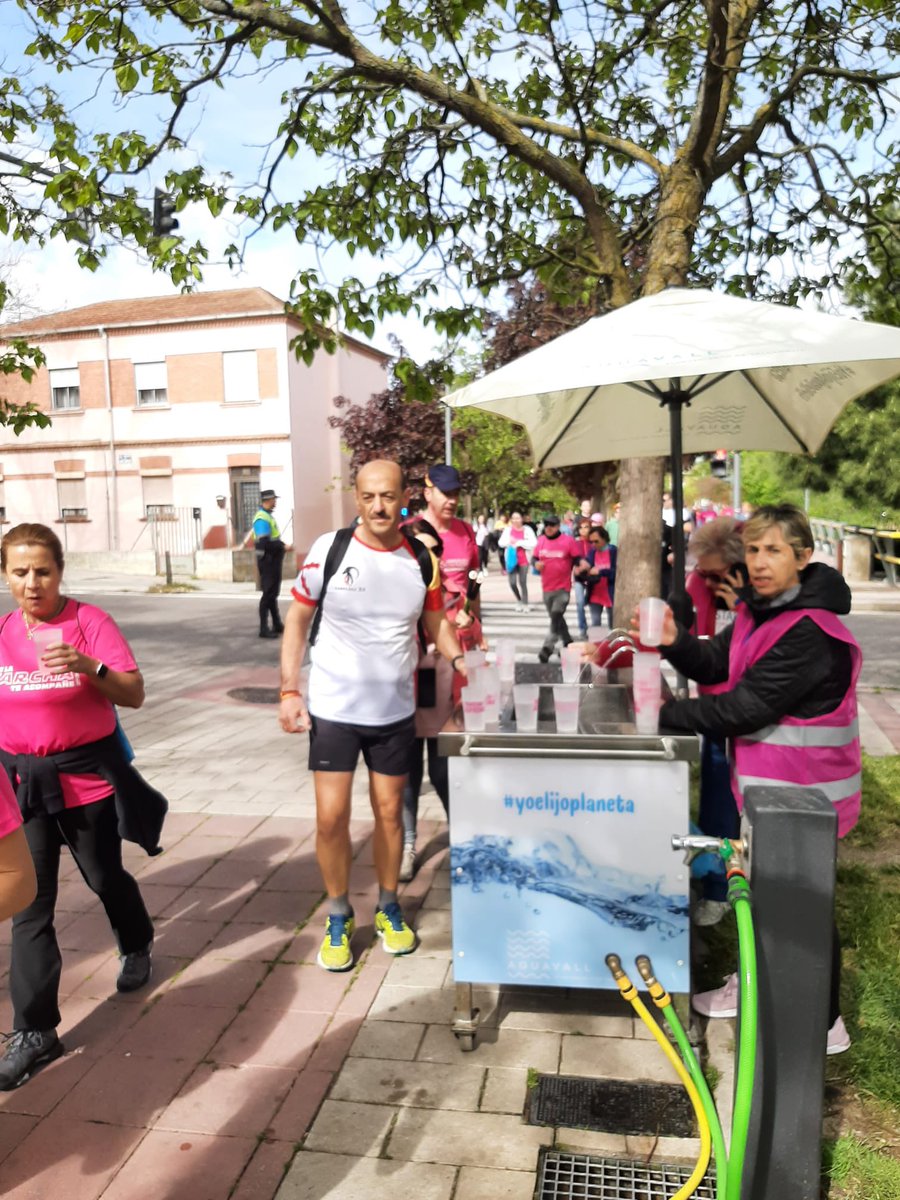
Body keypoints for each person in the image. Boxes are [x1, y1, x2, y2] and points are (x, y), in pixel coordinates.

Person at [646, 504, 860, 1055]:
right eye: (754, 551)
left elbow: (741, 709)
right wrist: (674, 641)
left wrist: (655, 715)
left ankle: (823, 1021)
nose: (759, 564)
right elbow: (717, 666)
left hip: (806, 794)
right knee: (766, 896)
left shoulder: (812, 632)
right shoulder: (758, 613)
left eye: (774, 551)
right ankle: (757, 983)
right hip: (769, 790)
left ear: (803, 557)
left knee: (804, 905)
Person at [279, 460, 466, 972]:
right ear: (357, 499)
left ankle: (387, 906)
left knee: (389, 815)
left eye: (387, 496)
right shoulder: (330, 550)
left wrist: (463, 659)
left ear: (404, 497)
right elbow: (296, 620)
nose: (379, 506)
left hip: (394, 713)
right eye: (368, 497)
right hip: (335, 710)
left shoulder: (419, 559)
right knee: (331, 818)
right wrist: (289, 689)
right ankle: (338, 913)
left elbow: (436, 621)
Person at [0, 523, 163, 1089]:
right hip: (22, 785)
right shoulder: (2, 631)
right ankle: (34, 1030)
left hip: (83, 780)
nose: (31, 583)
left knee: (103, 876)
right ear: (6, 575)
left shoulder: (89, 623)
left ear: (60, 571)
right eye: (19, 572)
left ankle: (138, 941)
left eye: (42, 571)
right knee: (30, 902)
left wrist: (87, 667)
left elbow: (134, 693)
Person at [682, 517, 747, 926]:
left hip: (750, 712)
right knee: (716, 800)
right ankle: (718, 884)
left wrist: (743, 606)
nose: (704, 581)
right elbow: (686, 639)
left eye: (713, 574)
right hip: (715, 710)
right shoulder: (696, 586)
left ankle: (729, 888)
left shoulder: (756, 597)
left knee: (733, 805)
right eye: (699, 572)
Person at [397, 518, 469, 882]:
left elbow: (471, 644)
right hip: (406, 696)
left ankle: (464, 839)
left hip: (445, 697)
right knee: (408, 775)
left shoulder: (456, 593)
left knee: (443, 773)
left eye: (437, 550)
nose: (432, 558)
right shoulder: (398, 596)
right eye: (422, 550)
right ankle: (407, 844)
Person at [421, 464, 482, 650]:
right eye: (446, 494)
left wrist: (477, 627)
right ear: (428, 493)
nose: (452, 501)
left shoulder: (466, 531)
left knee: (465, 678)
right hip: (426, 640)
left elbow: (473, 585)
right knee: (428, 680)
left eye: (455, 494)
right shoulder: (409, 533)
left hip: (461, 634)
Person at [532, 515, 586, 663]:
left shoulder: (568, 541)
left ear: (558, 526)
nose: (548, 528)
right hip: (547, 588)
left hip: (563, 589)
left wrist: (581, 565)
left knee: (555, 618)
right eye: (546, 524)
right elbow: (534, 558)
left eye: (552, 525)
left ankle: (547, 649)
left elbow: (577, 558)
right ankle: (568, 644)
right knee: (558, 620)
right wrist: (536, 564)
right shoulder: (541, 540)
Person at [251, 489, 286, 638]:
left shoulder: (267, 516)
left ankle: (277, 623)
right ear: (268, 500)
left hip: (272, 561)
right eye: (274, 499)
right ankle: (264, 628)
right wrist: (283, 546)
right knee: (268, 595)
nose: (275, 502)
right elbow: (263, 543)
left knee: (273, 594)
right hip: (268, 561)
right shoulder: (262, 518)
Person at [498, 512, 537, 612]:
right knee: (512, 582)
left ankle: (525, 603)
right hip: (511, 560)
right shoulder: (508, 530)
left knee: (523, 582)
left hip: (523, 559)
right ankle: (519, 599)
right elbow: (501, 543)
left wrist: (520, 543)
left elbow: (534, 543)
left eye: (518, 518)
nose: (516, 520)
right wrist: (510, 542)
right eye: (513, 518)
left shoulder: (527, 530)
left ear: (522, 519)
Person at [584, 525, 617, 629]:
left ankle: (613, 645)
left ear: (604, 539)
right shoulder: (592, 553)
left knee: (613, 624)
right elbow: (586, 568)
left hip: (610, 592)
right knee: (595, 623)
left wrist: (601, 571)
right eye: (591, 542)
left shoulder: (614, 552)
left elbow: (617, 572)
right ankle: (596, 644)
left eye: (596, 541)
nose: (593, 544)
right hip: (595, 592)